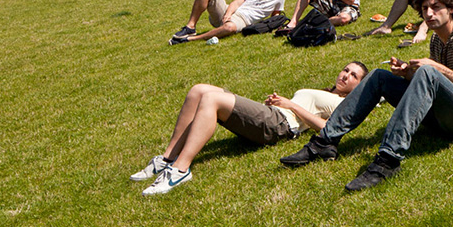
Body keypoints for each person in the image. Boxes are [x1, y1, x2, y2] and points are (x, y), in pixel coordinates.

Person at [280, 0, 453, 191]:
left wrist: (435, 68)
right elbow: (435, 86)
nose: (429, 13)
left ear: (451, 9)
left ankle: (388, 160)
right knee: (379, 76)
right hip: (443, 116)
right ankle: (324, 142)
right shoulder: (437, 40)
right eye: (424, 9)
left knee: (428, 71)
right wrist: (406, 72)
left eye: (436, 7)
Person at [131, 62, 368, 195]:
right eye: (345, 70)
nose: (346, 76)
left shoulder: (342, 104)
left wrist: (291, 105)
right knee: (199, 90)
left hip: (279, 126)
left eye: (354, 76)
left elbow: (328, 128)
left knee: (212, 99)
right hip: (273, 115)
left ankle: (180, 170)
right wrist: (280, 103)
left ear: (358, 86)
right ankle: (167, 158)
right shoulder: (328, 93)